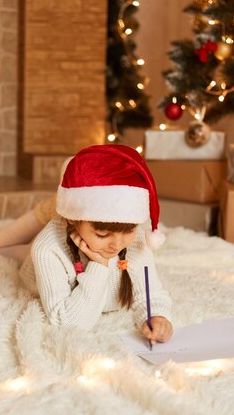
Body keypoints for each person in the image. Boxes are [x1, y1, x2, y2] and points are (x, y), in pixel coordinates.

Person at [19, 144, 173, 344]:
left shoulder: (134, 240)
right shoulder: (47, 250)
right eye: (102, 234)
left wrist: (159, 317)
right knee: (5, 251)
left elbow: (150, 292)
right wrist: (99, 265)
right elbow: (68, 323)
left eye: (128, 231)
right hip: (31, 262)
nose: (116, 245)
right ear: (72, 219)